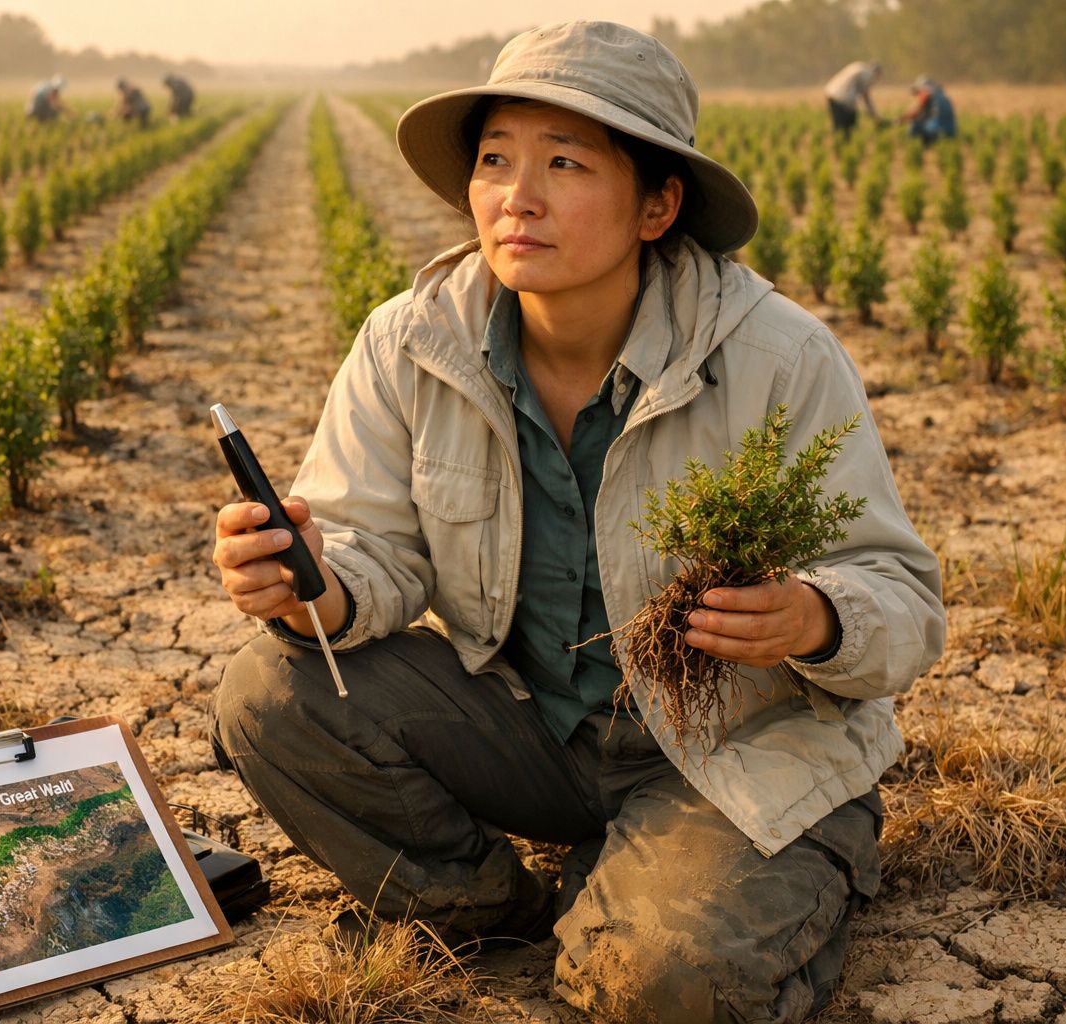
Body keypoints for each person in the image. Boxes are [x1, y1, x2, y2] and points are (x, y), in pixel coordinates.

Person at [211, 20, 943, 1024]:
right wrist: (312, 589)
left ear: (658, 205)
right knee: (268, 690)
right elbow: (367, 547)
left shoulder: (777, 359)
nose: (518, 194)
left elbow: (900, 598)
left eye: (564, 162)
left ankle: (703, 882)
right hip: (536, 731)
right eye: (497, 160)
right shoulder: (414, 342)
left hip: (731, 753)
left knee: (661, 985)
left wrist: (813, 616)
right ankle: (487, 906)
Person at [824, 59, 882, 136]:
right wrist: (875, 116)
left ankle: (838, 141)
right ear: (876, 72)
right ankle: (844, 142)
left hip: (831, 92)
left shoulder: (860, 66)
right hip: (841, 97)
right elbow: (866, 97)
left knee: (841, 123)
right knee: (848, 123)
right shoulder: (868, 74)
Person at [901, 75, 957, 145]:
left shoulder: (925, 92)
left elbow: (917, 110)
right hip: (952, 130)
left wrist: (901, 119)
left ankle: (911, 144)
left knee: (915, 123)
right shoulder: (941, 94)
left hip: (936, 128)